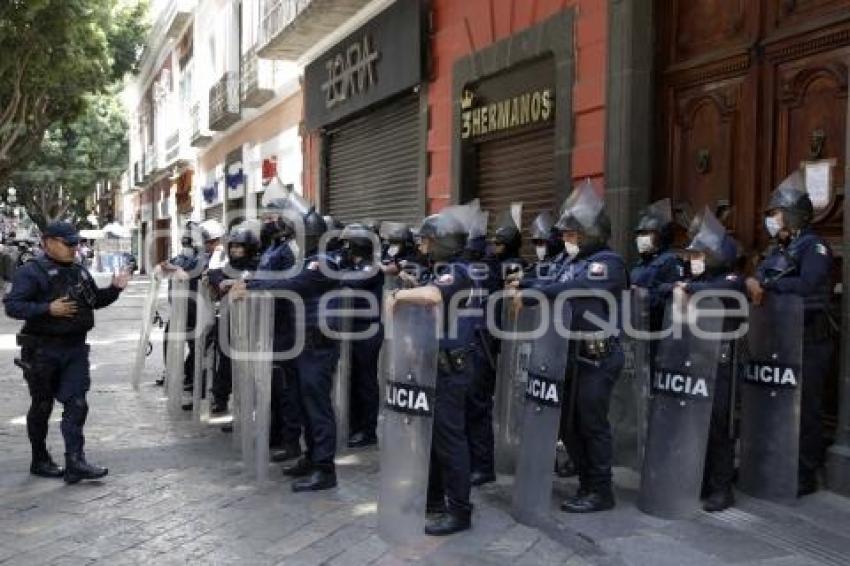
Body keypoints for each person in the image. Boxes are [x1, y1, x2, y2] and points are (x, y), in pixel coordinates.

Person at [512, 180, 626, 513]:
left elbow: (576, 287)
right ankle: (586, 482)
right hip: (570, 355)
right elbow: (552, 282)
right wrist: (524, 283)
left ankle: (601, 489)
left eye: (573, 235)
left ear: (591, 233)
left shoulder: (608, 262)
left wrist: (533, 292)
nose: (567, 240)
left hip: (598, 355)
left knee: (591, 422)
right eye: (565, 235)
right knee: (568, 424)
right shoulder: (570, 261)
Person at [4, 221, 129, 482]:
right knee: (42, 405)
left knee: (77, 403)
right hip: (42, 350)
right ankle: (39, 459)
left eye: (76, 243)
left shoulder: (79, 271)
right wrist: (47, 309)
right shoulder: (31, 271)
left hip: (74, 349)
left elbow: (95, 301)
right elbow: (13, 306)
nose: (74, 248)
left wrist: (115, 288)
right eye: (68, 243)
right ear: (48, 242)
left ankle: (75, 462)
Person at [388, 205, 482, 535]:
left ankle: (459, 511)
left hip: (451, 370)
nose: (422, 247)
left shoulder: (459, 271)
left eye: (427, 242)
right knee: (429, 440)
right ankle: (432, 502)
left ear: (442, 242)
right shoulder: (443, 269)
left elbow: (431, 296)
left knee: (450, 440)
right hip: (433, 367)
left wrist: (401, 293)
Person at [234, 209, 341, 492]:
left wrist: (252, 285)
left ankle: (325, 468)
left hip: (318, 343)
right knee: (304, 403)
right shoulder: (306, 260)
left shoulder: (324, 262)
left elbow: (293, 284)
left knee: (317, 407)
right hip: (302, 343)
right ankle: (311, 456)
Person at [746, 171, 834, 496]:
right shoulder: (778, 249)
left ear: (794, 214)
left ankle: (805, 472)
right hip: (778, 340)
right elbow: (757, 276)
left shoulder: (815, 248)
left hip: (808, 340)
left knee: (806, 409)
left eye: (775, 213)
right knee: (775, 404)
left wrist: (767, 287)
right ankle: (774, 460)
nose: (770, 219)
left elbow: (808, 287)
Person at [665, 208, 744, 512]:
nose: (692, 259)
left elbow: (726, 289)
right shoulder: (695, 278)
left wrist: (689, 289)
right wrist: (685, 286)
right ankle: (700, 478)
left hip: (724, 362)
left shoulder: (730, 277)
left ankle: (721, 488)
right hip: (695, 358)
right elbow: (664, 290)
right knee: (695, 423)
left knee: (719, 424)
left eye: (698, 254)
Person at [206, 221, 261, 414]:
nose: (236, 250)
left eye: (240, 246)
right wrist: (222, 282)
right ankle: (220, 399)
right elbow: (212, 273)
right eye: (234, 246)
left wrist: (242, 283)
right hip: (228, 321)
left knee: (247, 366)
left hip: (251, 322)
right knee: (224, 362)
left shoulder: (258, 265)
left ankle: (246, 408)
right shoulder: (227, 265)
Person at [338, 223, 384, 448]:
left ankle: (368, 430)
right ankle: (354, 425)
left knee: (365, 381)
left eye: (348, 244)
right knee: (353, 380)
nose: (344, 249)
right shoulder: (350, 266)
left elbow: (351, 281)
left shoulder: (370, 268)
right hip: (352, 329)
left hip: (367, 330)